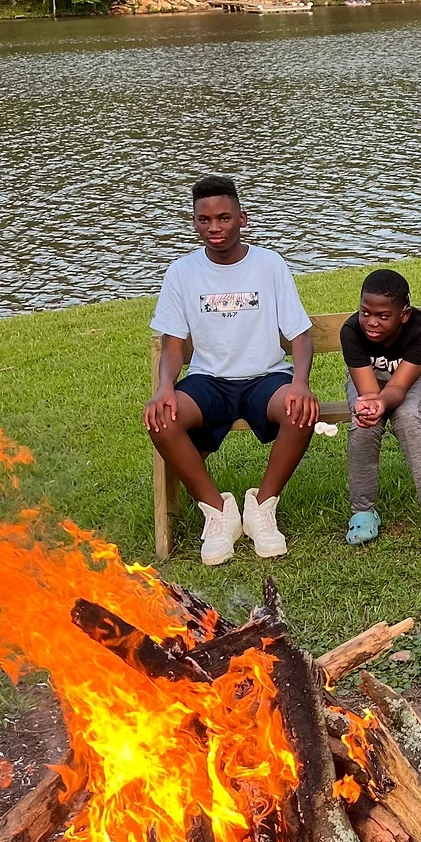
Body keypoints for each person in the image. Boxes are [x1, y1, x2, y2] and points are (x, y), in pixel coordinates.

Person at [145, 178, 318, 565]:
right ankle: (219, 512)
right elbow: (173, 345)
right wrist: (164, 388)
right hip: (209, 381)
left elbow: (301, 336)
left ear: (242, 218)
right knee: (161, 419)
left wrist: (301, 383)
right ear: (195, 223)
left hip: (265, 376)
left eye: (224, 217)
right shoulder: (182, 273)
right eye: (204, 220)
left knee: (300, 410)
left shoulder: (269, 264)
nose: (215, 227)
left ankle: (262, 508)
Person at [341, 269, 421, 549]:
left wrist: (382, 402)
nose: (371, 322)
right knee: (363, 423)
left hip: (416, 378)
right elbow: (369, 391)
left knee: (406, 416)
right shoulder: (350, 332)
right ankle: (363, 511)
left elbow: (397, 390)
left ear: (404, 314)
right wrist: (372, 405)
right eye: (365, 312)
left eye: (383, 316)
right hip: (368, 378)